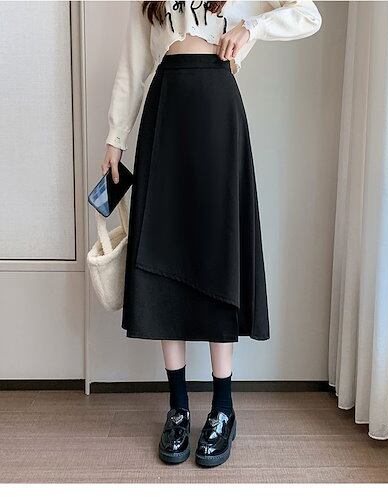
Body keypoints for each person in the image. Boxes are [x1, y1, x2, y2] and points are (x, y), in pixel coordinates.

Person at [101, 0, 322, 467]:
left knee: (218, 252)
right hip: (166, 112)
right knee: (164, 252)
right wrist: (115, 138)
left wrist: (251, 28)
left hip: (218, 113)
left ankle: (223, 407)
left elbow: (308, 14)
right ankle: (178, 407)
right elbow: (134, 62)